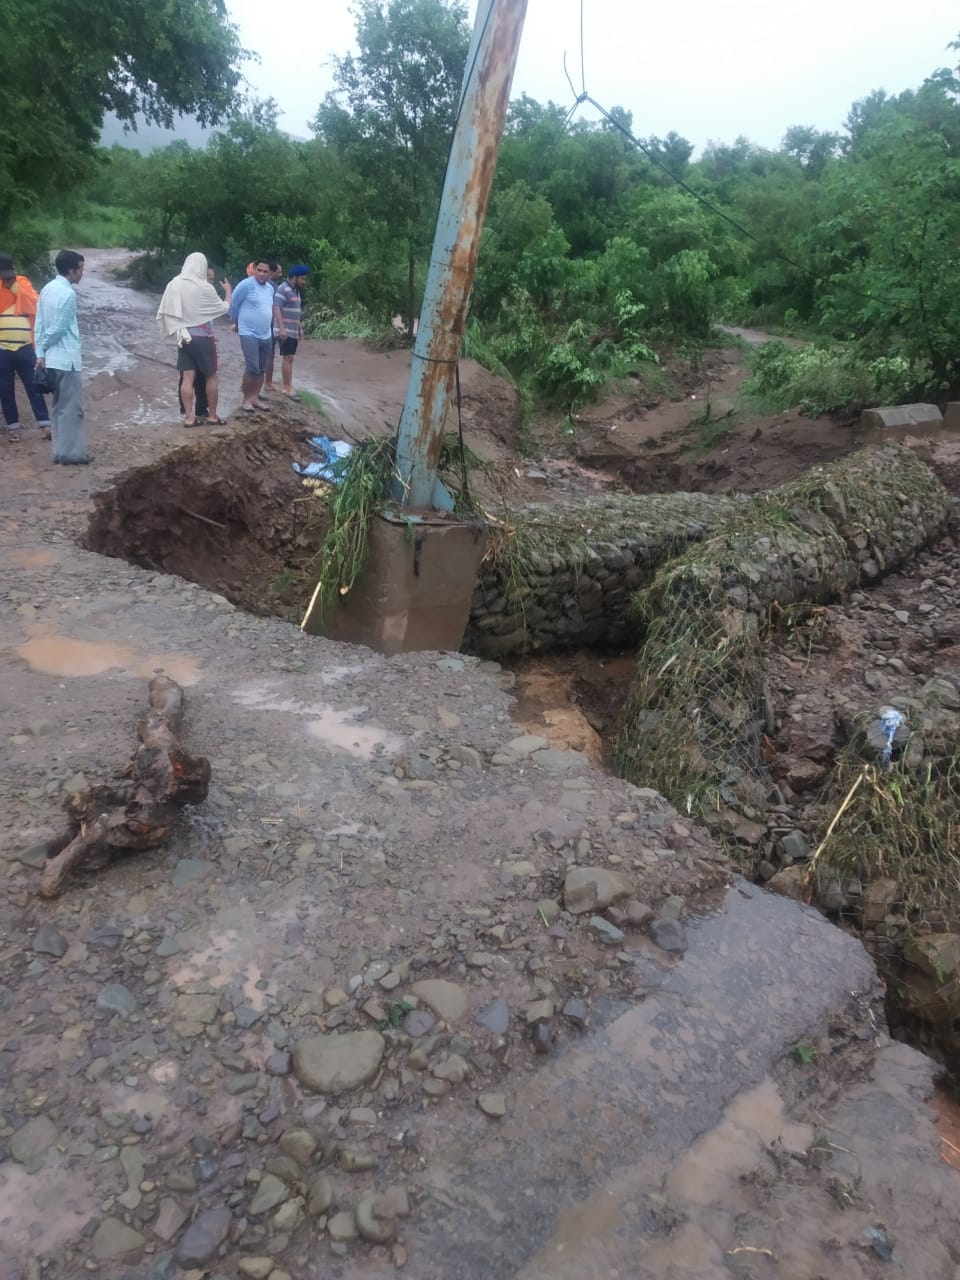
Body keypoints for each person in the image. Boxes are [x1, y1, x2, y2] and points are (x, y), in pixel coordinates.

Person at [156, 253, 231, 426]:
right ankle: (212, 416)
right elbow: (224, 308)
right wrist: (228, 292)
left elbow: (167, 308)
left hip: (184, 337)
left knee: (187, 377)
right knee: (211, 376)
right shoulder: (204, 287)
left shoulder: (175, 284)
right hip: (203, 338)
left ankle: (189, 418)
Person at [34, 249, 90, 465]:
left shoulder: (47, 289)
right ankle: (71, 454)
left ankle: (60, 451)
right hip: (67, 359)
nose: (82, 274)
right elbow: (57, 329)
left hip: (51, 360)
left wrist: (40, 353)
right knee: (72, 408)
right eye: (81, 269)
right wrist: (45, 347)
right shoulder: (68, 294)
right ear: (71, 270)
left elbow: (39, 324)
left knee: (58, 408)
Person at [0, 252, 53, 443]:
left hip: (26, 347)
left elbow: (36, 304)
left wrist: (13, 287)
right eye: (3, 275)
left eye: (9, 274)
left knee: (34, 387)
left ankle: (45, 425)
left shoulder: (22, 283)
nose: (6, 278)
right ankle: (13, 428)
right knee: (5, 390)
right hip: (2, 350)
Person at [229, 257, 275, 415]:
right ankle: (246, 399)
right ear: (254, 270)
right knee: (252, 367)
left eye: (265, 271)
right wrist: (235, 322)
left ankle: (255, 397)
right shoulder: (245, 285)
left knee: (262, 367)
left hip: (266, 333)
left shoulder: (270, 288)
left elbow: (269, 308)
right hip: (248, 332)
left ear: (270, 274)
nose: (262, 274)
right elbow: (234, 304)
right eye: (259, 270)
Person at [273, 265, 308, 400]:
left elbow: (296, 311)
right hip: (285, 330)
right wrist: (281, 328)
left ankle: (288, 386)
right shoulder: (283, 288)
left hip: (293, 330)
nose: (304, 282)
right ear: (294, 277)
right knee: (288, 358)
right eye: (302, 279)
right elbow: (276, 308)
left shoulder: (296, 290)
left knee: (290, 358)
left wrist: (300, 328)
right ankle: (287, 388)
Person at [263, 260, 284, 391]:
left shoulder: (264, 285)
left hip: (264, 323)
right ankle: (268, 383)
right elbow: (276, 307)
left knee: (267, 354)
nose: (281, 274)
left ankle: (266, 382)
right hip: (271, 324)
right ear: (271, 272)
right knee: (270, 355)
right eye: (279, 272)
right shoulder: (274, 287)